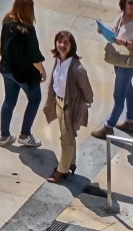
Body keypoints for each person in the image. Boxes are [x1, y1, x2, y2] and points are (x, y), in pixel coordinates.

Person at [94, 0, 133, 138]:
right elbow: (115, 31)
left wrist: (125, 42)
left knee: (119, 95)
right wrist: (104, 31)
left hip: (129, 61)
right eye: (130, 2)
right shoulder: (121, 15)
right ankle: (129, 121)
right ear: (124, 2)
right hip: (118, 58)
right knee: (128, 89)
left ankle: (108, 126)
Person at [42, 29, 93, 183]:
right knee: (68, 135)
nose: (62, 45)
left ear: (72, 46)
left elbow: (87, 90)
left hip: (69, 106)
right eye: (60, 41)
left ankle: (61, 170)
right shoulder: (58, 59)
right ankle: (71, 162)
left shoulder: (77, 68)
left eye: (66, 42)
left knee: (65, 138)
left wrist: (86, 102)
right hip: (58, 102)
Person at [0, 0, 44, 148]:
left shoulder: (7, 20)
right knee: (35, 99)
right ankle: (25, 134)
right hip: (24, 74)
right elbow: (34, 57)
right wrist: (42, 71)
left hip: (7, 68)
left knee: (9, 100)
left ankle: (4, 136)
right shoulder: (28, 30)